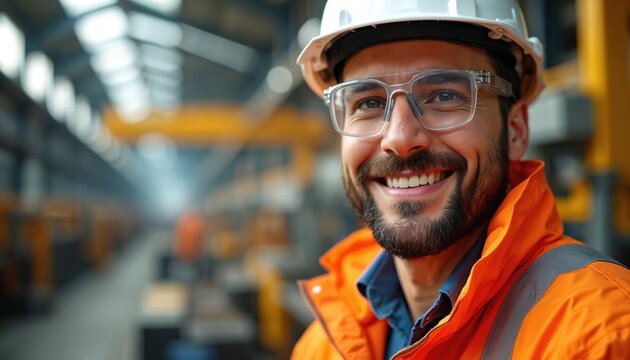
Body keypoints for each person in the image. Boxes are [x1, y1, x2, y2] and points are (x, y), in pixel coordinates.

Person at [292, 1, 630, 359]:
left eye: (445, 96)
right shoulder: (324, 344)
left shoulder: (602, 336)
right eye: (369, 103)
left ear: (515, 130)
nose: (400, 139)